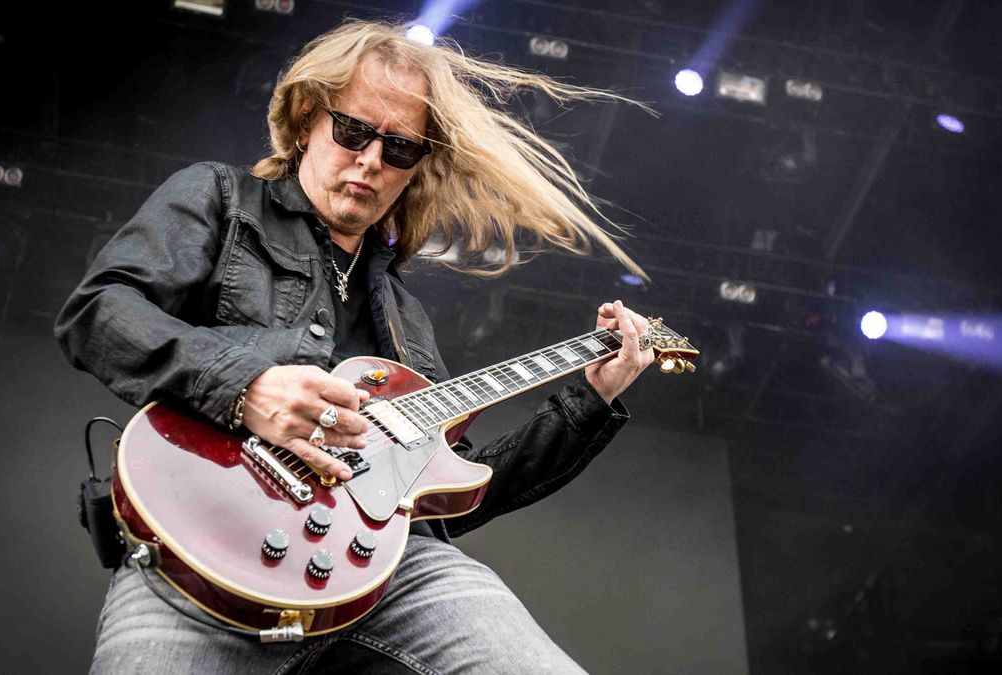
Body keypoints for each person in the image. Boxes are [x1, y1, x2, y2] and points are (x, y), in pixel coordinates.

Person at [55, 18, 656, 674]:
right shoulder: (222, 200)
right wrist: (246, 387)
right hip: (197, 558)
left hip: (386, 577)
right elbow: (98, 311)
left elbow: (456, 496)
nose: (371, 161)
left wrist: (593, 396)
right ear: (309, 115)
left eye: (399, 148)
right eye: (352, 131)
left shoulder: (404, 316)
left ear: (416, 165)